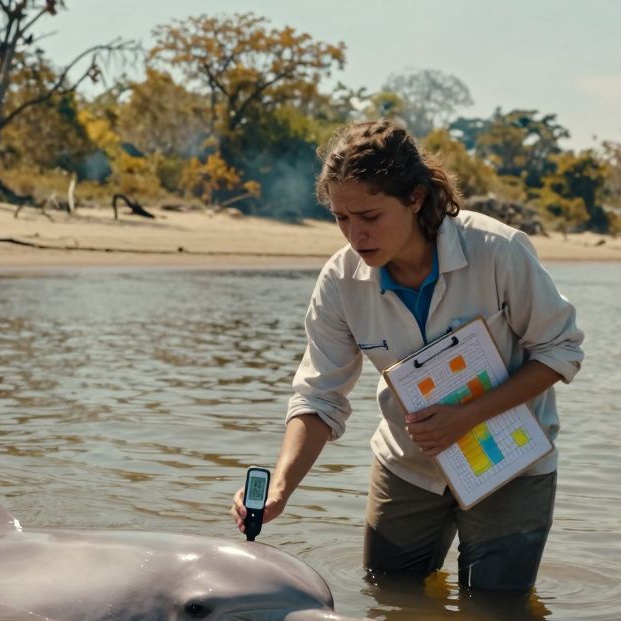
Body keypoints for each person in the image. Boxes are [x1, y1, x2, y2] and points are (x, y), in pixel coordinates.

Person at [230, 120, 584, 592]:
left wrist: (467, 416)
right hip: (408, 468)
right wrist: (280, 486)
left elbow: (561, 349)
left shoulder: (498, 251)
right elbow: (319, 397)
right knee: (390, 601)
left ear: (415, 198)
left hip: (511, 469)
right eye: (341, 218)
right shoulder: (339, 282)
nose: (355, 235)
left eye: (370, 217)